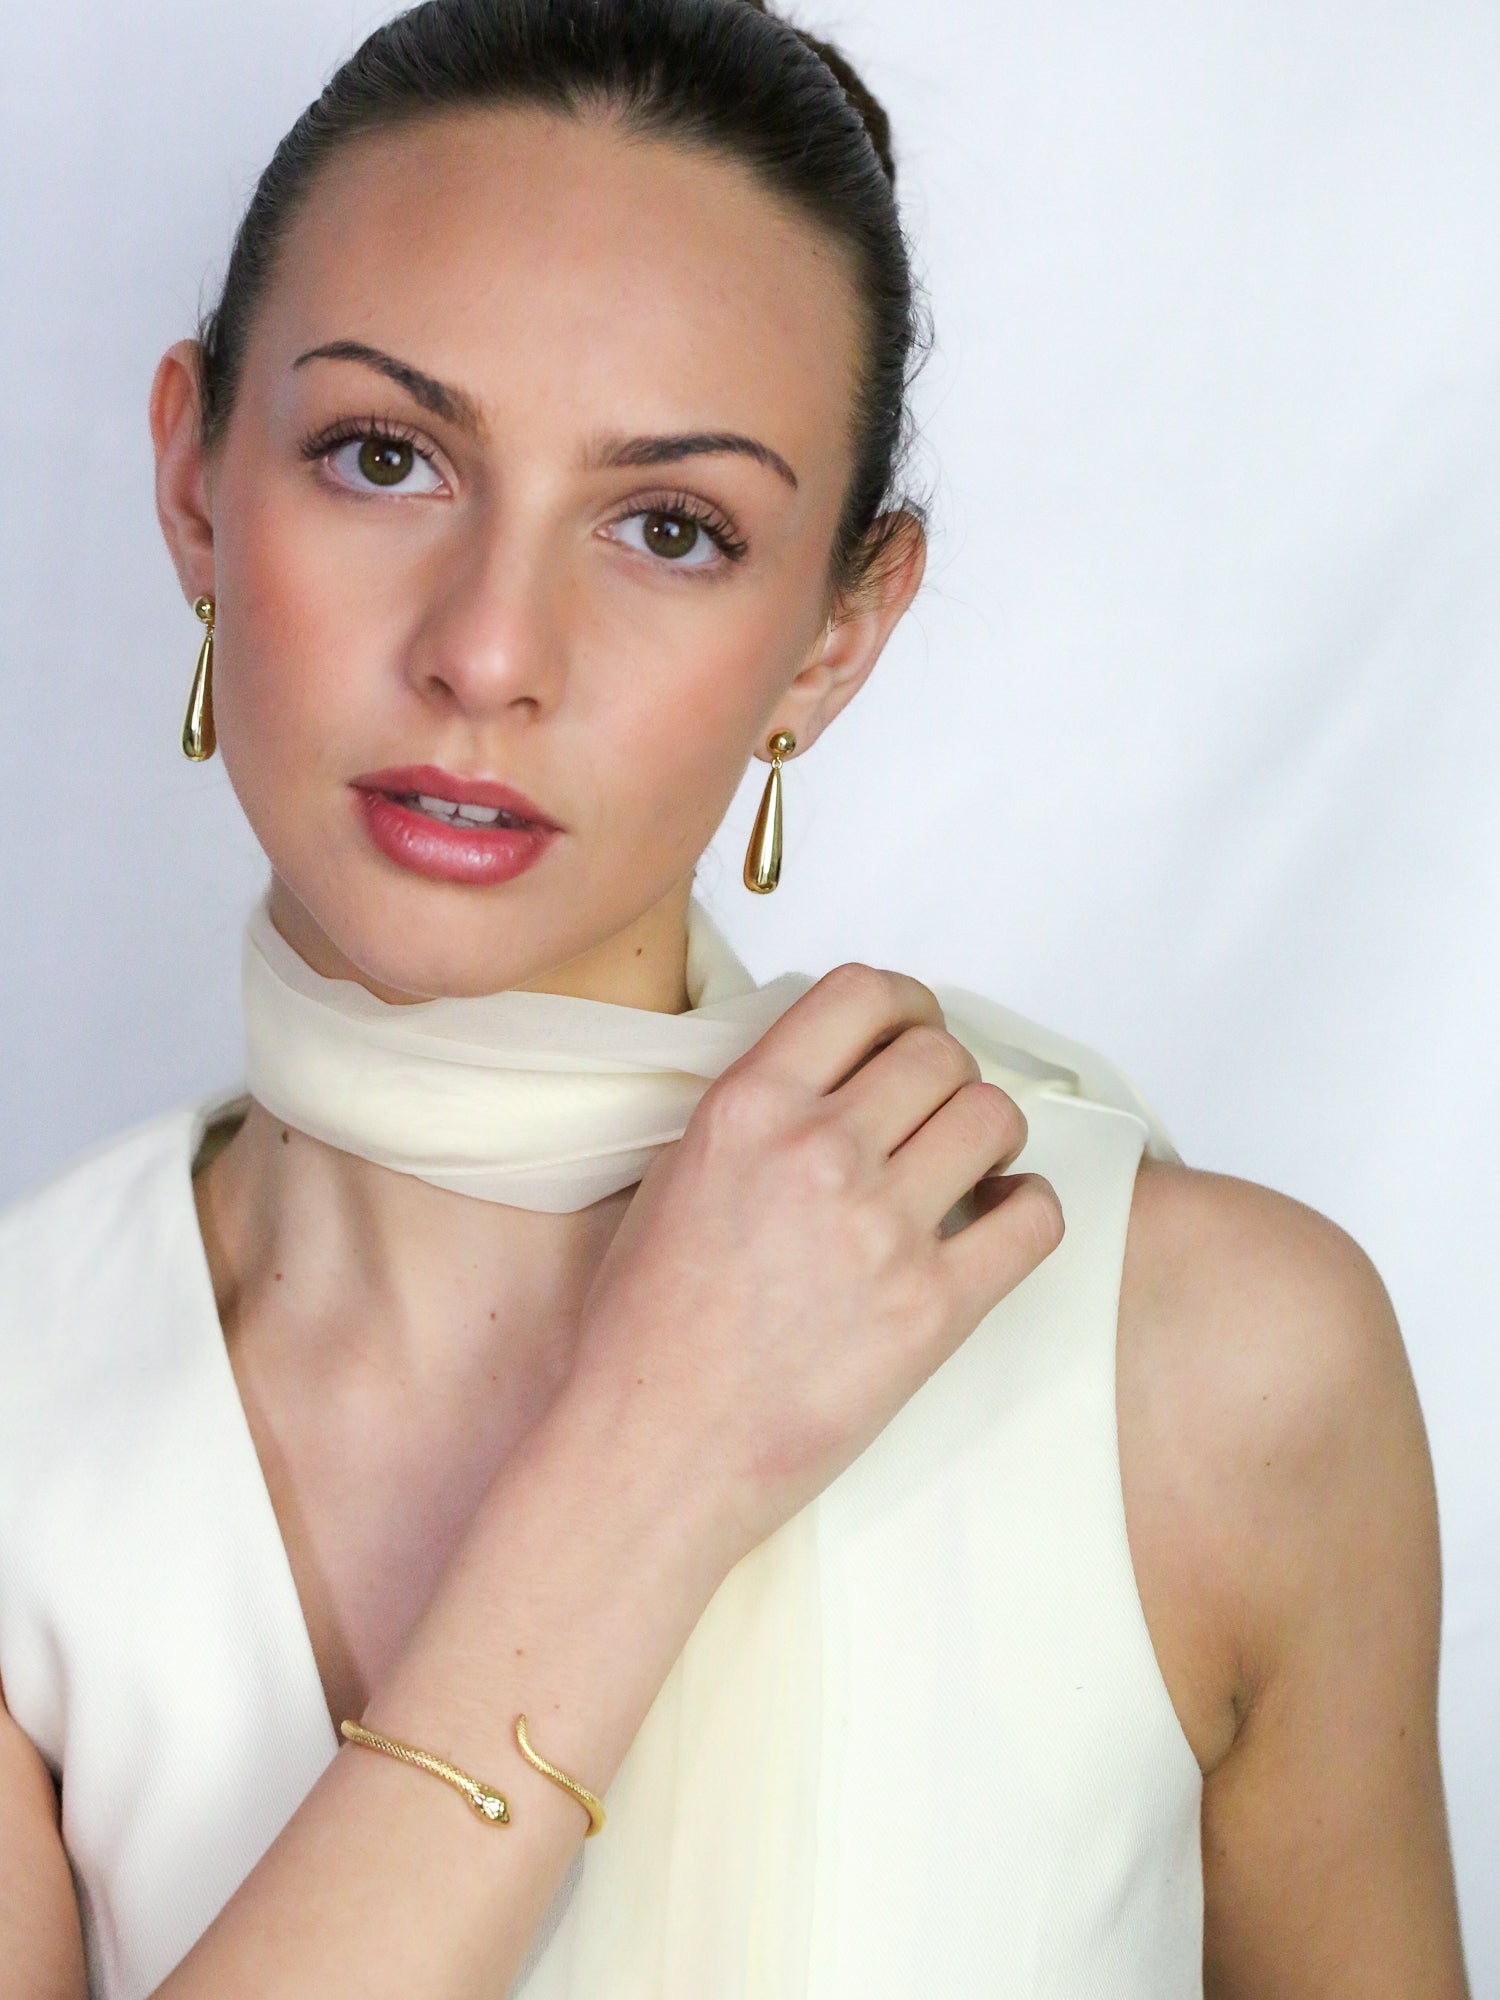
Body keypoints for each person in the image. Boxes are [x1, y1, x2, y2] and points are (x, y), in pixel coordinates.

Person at [0, 0, 1472, 1994]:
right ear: (194, 479)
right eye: (385, 456)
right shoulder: (24, 1415)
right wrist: (656, 1451)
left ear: (836, 635)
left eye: (671, 529)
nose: (490, 651)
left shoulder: (1216, 1365)